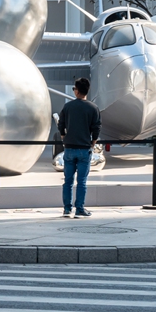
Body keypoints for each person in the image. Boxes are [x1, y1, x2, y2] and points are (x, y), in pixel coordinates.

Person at [57, 77, 100, 218]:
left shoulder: (68, 107)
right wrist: (93, 141)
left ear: (76, 91)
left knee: (68, 180)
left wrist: (63, 135)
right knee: (81, 181)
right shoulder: (93, 108)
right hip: (84, 148)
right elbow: (96, 127)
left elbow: (60, 124)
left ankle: (67, 209)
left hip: (69, 148)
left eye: (74, 88)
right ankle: (79, 209)